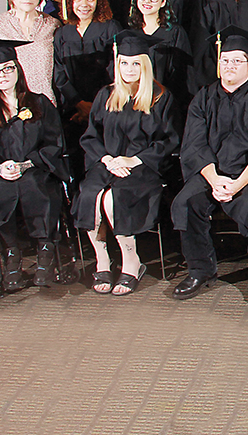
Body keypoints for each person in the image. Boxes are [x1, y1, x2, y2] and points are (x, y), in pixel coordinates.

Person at [171, 27, 248, 305]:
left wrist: (236, 184)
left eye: (237, 61)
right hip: (212, 171)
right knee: (186, 202)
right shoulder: (204, 97)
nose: (230, 66)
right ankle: (200, 270)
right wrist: (214, 180)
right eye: (225, 60)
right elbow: (194, 145)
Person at [0, 39, 69, 291]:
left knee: (34, 186)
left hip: (34, 169)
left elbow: (54, 144)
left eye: (8, 68)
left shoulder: (39, 104)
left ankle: (45, 250)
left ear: (18, 69)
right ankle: (11, 254)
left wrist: (27, 163)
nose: (3, 75)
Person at [73, 31, 179, 296]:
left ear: (145, 64)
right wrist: (108, 159)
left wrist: (133, 159)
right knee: (91, 194)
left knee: (113, 197)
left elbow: (169, 140)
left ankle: (132, 261)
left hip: (144, 167)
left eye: (135, 63)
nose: (129, 69)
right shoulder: (106, 95)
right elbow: (90, 136)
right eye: (123, 63)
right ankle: (103, 261)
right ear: (116, 64)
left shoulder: (161, 97)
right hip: (107, 164)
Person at [52, 0, 121, 176]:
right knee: (76, 158)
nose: (84, 4)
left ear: (99, 0)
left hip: (106, 107)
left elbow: (115, 70)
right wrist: (78, 103)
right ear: (69, 0)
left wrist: (95, 105)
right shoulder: (62, 34)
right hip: (73, 110)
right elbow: (59, 73)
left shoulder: (110, 28)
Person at [129, 0, 192, 108]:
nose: (147, 0)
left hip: (167, 104)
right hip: (136, 103)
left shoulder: (175, 33)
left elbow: (184, 75)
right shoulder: (131, 33)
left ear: (163, 2)